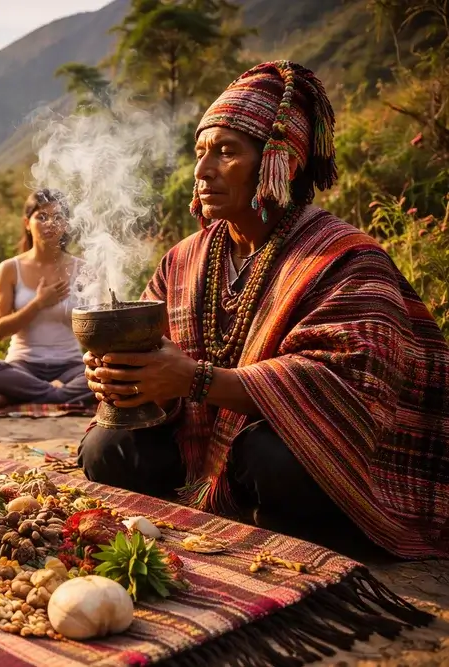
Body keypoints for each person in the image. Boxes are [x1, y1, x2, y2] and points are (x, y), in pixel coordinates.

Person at [77, 61, 449, 559]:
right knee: (107, 449)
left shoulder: (345, 258)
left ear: (281, 161)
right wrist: (124, 377)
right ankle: (235, 506)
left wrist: (193, 379)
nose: (202, 170)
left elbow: (350, 386)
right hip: (203, 449)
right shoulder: (184, 259)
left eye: (226, 152)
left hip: (312, 451)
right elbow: (156, 355)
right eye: (200, 152)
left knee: (271, 457)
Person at [0, 189, 91, 407]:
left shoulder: (82, 269)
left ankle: (25, 395)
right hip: (23, 365)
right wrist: (37, 304)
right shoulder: (9, 268)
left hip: (71, 365)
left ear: (66, 225)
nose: (50, 224)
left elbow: (93, 330)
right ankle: (60, 396)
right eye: (42, 217)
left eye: (57, 218)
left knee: (105, 376)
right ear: (27, 223)